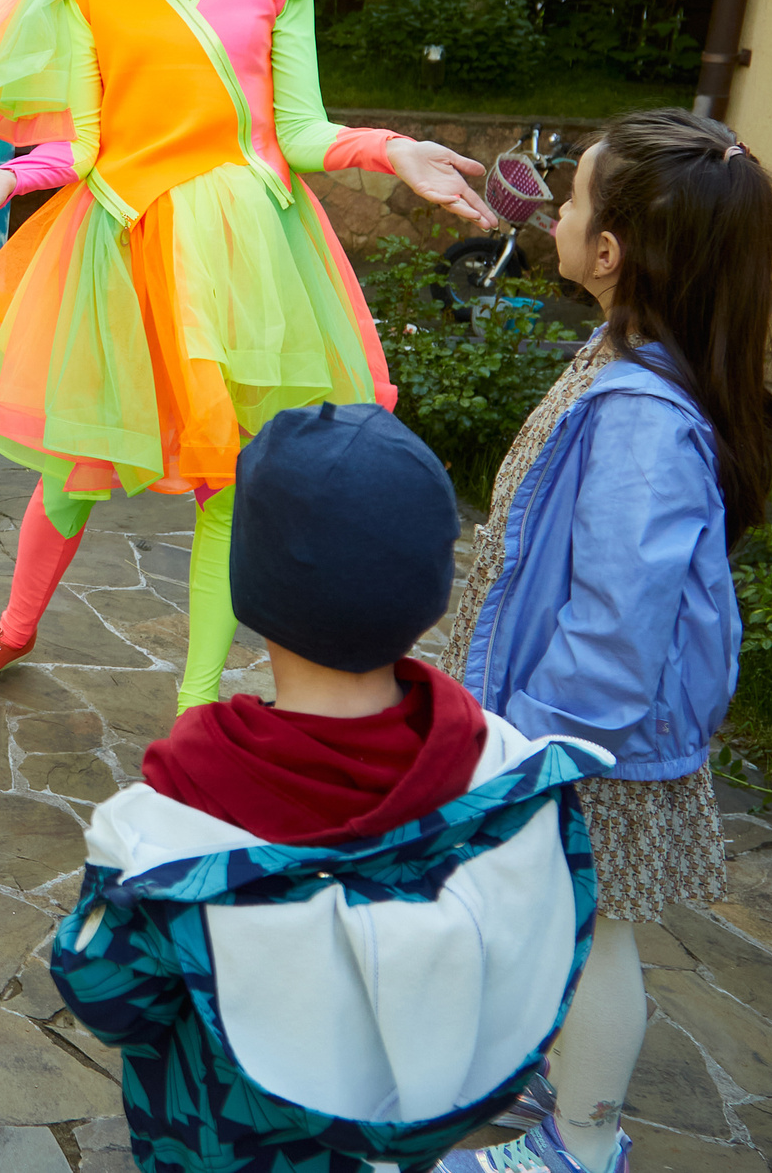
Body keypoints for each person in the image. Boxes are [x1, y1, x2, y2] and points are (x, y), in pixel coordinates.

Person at [0, 0, 498, 710]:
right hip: (124, 248)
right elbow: (87, 146)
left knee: (226, 487)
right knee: (73, 472)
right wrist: (6, 176)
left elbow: (299, 132)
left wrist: (392, 151)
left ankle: (193, 712)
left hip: (246, 260)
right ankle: (14, 627)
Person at [51, 402, 612, 1173]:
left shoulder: (173, 823)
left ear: (252, 582)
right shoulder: (511, 779)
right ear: (431, 589)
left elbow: (107, 994)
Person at [438, 110, 772, 1173]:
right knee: (551, 920)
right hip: (556, 712)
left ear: (611, 252)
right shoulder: (621, 355)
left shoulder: (640, 411)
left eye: (571, 198)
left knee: (589, 935)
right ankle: (555, 1063)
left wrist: (542, 746)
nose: (550, 211)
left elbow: (619, 613)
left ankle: (579, 1143)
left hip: (587, 738)